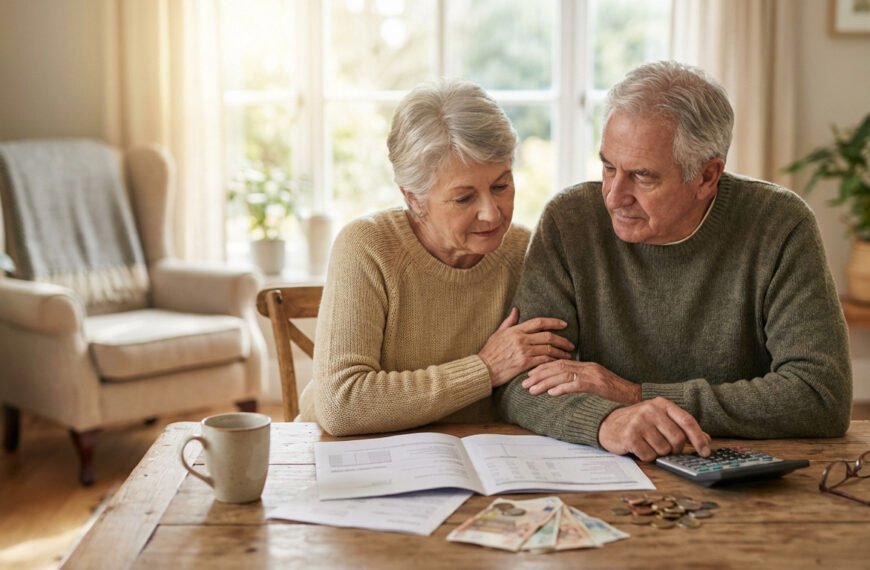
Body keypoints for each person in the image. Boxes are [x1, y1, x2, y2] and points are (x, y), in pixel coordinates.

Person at [494, 60, 853, 462]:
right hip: (614, 464)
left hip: (740, 473)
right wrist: (606, 423)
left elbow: (820, 395)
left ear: (706, 176)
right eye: (609, 167)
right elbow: (521, 382)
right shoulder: (571, 219)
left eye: (642, 176)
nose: (613, 196)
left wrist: (635, 395)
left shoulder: (780, 223)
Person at [298, 79, 574, 436]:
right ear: (412, 197)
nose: (492, 214)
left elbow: (544, 381)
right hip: (350, 455)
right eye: (464, 198)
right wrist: (484, 369)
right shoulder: (367, 247)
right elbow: (342, 405)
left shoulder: (524, 251)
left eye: (501, 186)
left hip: (479, 460)